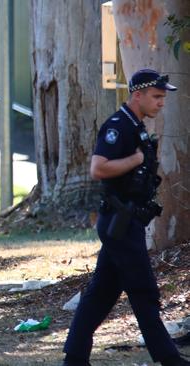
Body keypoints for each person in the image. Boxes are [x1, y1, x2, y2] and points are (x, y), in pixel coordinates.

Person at [62, 69, 190, 366]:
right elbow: (98, 168)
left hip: (125, 222)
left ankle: (74, 357)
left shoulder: (136, 126)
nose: (161, 103)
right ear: (138, 95)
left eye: (163, 97)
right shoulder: (118, 127)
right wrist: (136, 159)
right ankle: (168, 358)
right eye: (157, 97)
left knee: (101, 293)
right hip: (119, 221)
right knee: (143, 290)